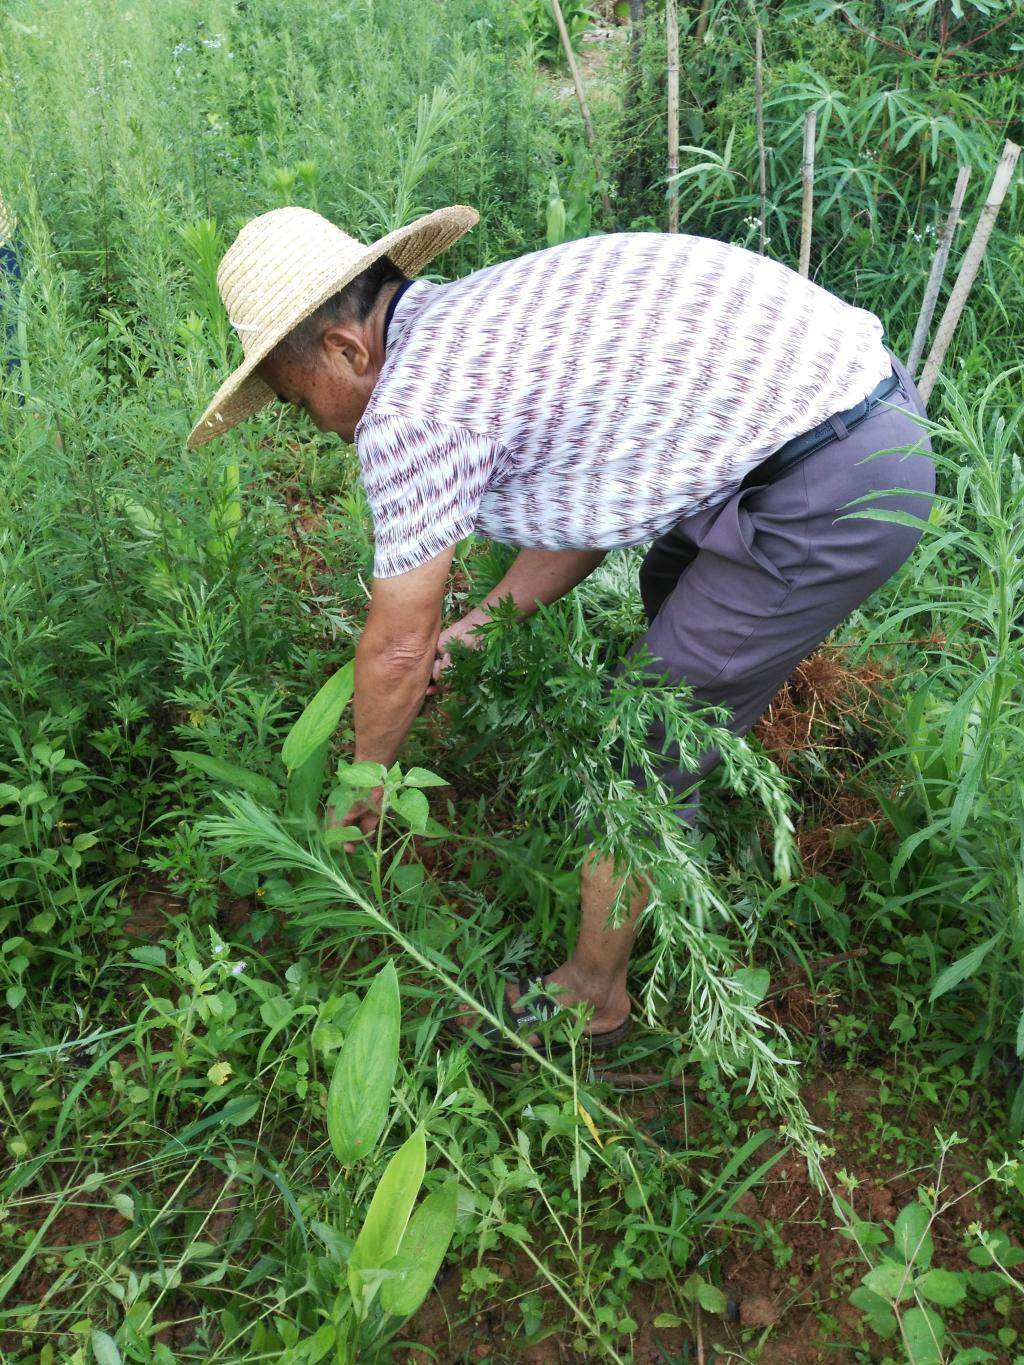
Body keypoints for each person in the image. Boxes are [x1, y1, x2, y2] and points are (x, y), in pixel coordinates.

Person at [187, 204, 935, 1052]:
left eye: (294, 401)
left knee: (644, 741)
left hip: (834, 482)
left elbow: (395, 645)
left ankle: (594, 993)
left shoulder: (412, 411)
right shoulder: (466, 322)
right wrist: (479, 627)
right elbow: (594, 499)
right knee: (672, 596)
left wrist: (364, 783)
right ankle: (679, 827)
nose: (313, 424)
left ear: (345, 351)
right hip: (846, 414)